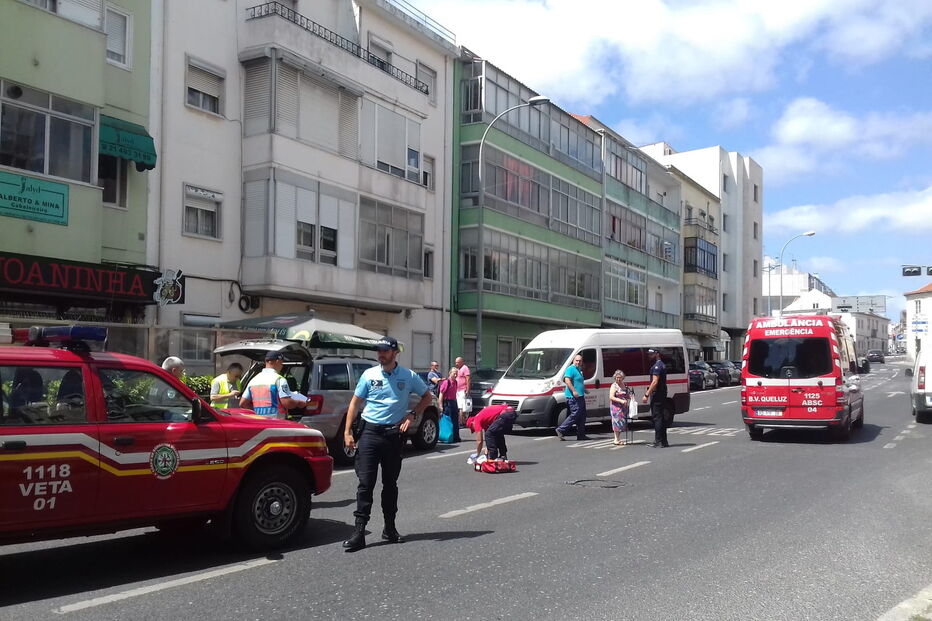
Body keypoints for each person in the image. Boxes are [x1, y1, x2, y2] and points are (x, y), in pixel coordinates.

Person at [342, 336, 432, 552]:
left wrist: (412, 415)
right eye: (378, 351)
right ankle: (359, 532)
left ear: (395, 353)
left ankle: (389, 528)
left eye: (384, 351)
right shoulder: (369, 374)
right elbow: (355, 403)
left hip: (393, 436)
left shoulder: (408, 376)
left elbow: (427, 397)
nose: (380, 354)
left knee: (390, 484)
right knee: (366, 484)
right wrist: (347, 432)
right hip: (370, 434)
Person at [239, 351, 308, 417]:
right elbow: (287, 403)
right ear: (278, 361)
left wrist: (256, 412)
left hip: (259, 422)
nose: (282, 366)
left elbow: (242, 403)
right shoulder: (279, 379)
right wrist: (299, 403)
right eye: (282, 363)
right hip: (276, 423)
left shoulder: (254, 380)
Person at [555, 354, 589, 441]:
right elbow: (567, 380)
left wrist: (584, 390)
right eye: (576, 360)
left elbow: (578, 382)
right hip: (573, 396)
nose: (578, 362)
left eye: (580, 361)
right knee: (575, 414)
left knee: (582, 415)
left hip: (580, 396)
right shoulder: (570, 369)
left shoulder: (578, 370)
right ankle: (561, 429)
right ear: (573, 361)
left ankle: (581, 434)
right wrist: (574, 391)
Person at [642, 349, 669, 448]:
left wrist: (646, 394)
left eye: (651, 354)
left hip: (657, 394)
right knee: (661, 417)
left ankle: (658, 441)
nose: (649, 356)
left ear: (657, 354)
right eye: (649, 354)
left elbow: (654, 382)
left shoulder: (657, 366)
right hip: (662, 394)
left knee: (657, 418)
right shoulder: (662, 364)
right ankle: (664, 441)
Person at [609, 370, 634, 446]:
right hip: (616, 407)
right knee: (616, 422)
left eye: (620, 378)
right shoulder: (614, 386)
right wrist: (620, 401)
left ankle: (618, 438)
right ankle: (616, 439)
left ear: (623, 378)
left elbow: (626, 395)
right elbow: (611, 397)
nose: (618, 379)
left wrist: (631, 398)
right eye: (617, 378)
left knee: (621, 423)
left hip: (623, 407)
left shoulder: (624, 385)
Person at [438, 367, 460, 443]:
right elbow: (441, 394)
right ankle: (447, 436)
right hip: (447, 403)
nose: (455, 374)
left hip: (453, 402)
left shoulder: (456, 382)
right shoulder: (446, 382)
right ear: (450, 373)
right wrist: (440, 406)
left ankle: (456, 437)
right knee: (447, 420)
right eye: (454, 373)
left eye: (456, 373)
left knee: (455, 420)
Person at [454, 356, 471, 426]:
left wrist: (468, 390)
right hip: (457, 390)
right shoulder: (457, 369)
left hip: (462, 390)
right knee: (459, 406)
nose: (456, 364)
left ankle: (461, 422)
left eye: (458, 362)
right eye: (455, 362)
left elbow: (468, 379)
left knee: (461, 407)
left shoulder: (465, 368)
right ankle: (462, 421)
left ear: (461, 362)